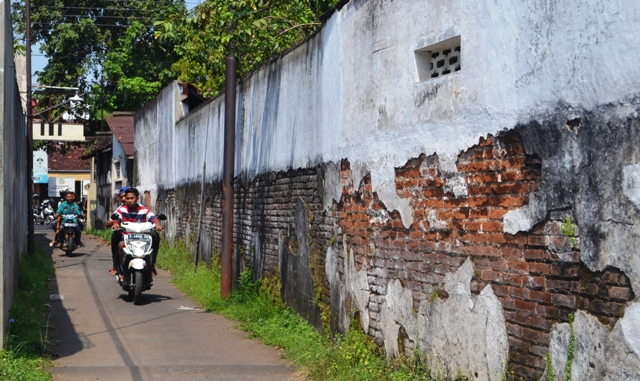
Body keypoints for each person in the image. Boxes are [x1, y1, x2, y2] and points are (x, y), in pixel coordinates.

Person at [109, 188, 162, 276]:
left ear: (137, 198)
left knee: (155, 235)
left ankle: (152, 264)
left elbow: (153, 218)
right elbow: (117, 219)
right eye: (127, 198)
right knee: (117, 239)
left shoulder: (144, 210)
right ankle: (117, 266)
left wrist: (157, 225)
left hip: (142, 237)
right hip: (127, 237)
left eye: (132, 198)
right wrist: (116, 224)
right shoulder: (122, 210)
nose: (129, 200)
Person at [106, 186, 130, 275]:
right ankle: (115, 266)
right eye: (121, 197)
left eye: (126, 196)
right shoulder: (120, 209)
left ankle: (151, 266)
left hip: (138, 233)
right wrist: (114, 222)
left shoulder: (141, 208)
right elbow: (110, 222)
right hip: (124, 233)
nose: (124, 199)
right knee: (116, 237)